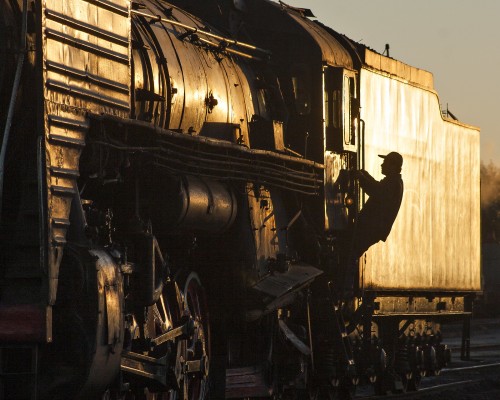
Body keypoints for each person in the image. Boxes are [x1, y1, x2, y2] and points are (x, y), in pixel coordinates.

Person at [352, 151, 404, 258]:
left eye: (386, 162)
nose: (382, 164)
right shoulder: (394, 181)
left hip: (371, 227)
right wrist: (365, 175)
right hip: (372, 228)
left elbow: (376, 191)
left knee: (351, 253)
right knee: (353, 253)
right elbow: (378, 188)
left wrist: (362, 178)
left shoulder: (394, 183)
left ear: (393, 166)